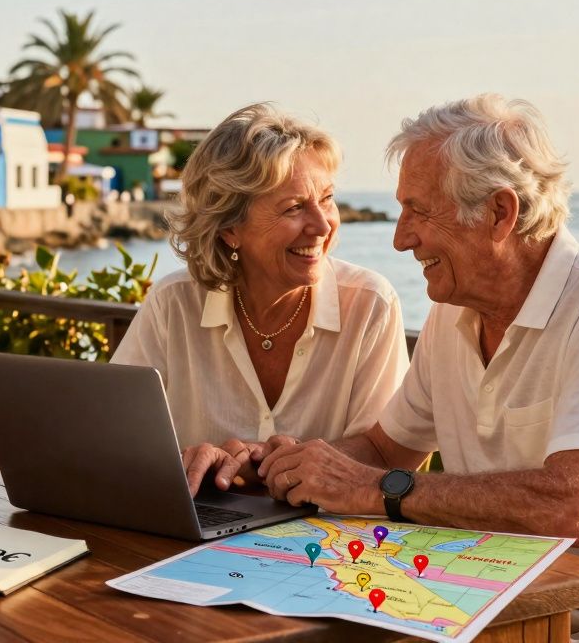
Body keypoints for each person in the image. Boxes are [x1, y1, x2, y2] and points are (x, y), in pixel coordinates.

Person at [256, 94, 579, 643]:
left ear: (500, 213)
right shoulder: (452, 313)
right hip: (479, 612)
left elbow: (571, 508)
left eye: (419, 211)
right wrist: (283, 466)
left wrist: (379, 489)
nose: (400, 238)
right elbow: (383, 450)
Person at [111, 103, 409, 496]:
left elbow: (384, 455)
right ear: (230, 228)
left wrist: (259, 465)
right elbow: (114, 437)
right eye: (294, 208)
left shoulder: (372, 304)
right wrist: (187, 457)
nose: (322, 226)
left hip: (326, 540)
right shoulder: (173, 304)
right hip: (191, 539)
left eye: (327, 199)